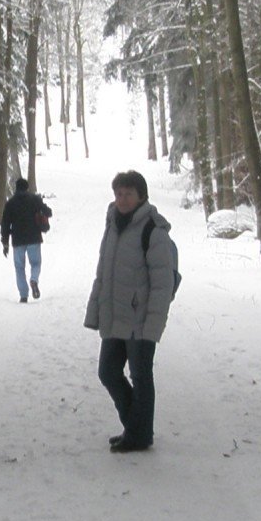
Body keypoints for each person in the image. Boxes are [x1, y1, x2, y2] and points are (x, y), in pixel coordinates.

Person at [84, 169, 177, 454]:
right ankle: (137, 428)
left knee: (140, 375)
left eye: (128, 194)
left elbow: (163, 283)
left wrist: (153, 325)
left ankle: (138, 434)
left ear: (141, 196)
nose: (122, 199)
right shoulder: (112, 223)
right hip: (115, 316)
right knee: (108, 372)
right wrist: (96, 309)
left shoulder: (153, 229)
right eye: (119, 194)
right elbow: (103, 272)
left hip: (139, 319)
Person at [0, 177, 53, 302]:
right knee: (36, 263)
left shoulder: (10, 203)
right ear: (27, 187)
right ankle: (34, 279)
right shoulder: (35, 199)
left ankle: (23, 295)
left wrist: (5, 242)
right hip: (34, 238)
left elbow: (5, 224)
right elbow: (48, 212)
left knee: (19, 267)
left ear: (16, 188)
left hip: (17, 240)